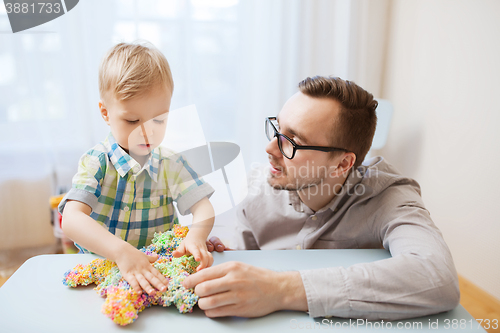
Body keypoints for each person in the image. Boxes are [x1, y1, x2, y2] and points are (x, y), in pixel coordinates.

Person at [186, 76, 460, 320]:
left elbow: (437, 277)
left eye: (292, 141)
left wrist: (281, 289)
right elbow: (252, 267)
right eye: (277, 129)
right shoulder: (257, 190)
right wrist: (232, 259)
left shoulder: (389, 197)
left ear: (343, 164)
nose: (270, 148)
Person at [59, 42, 216, 296]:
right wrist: (121, 252)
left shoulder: (171, 164)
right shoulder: (96, 162)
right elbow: (72, 218)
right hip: (103, 270)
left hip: (158, 273)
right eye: (132, 120)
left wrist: (197, 235)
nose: (147, 131)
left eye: (159, 119)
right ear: (106, 113)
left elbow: (203, 207)